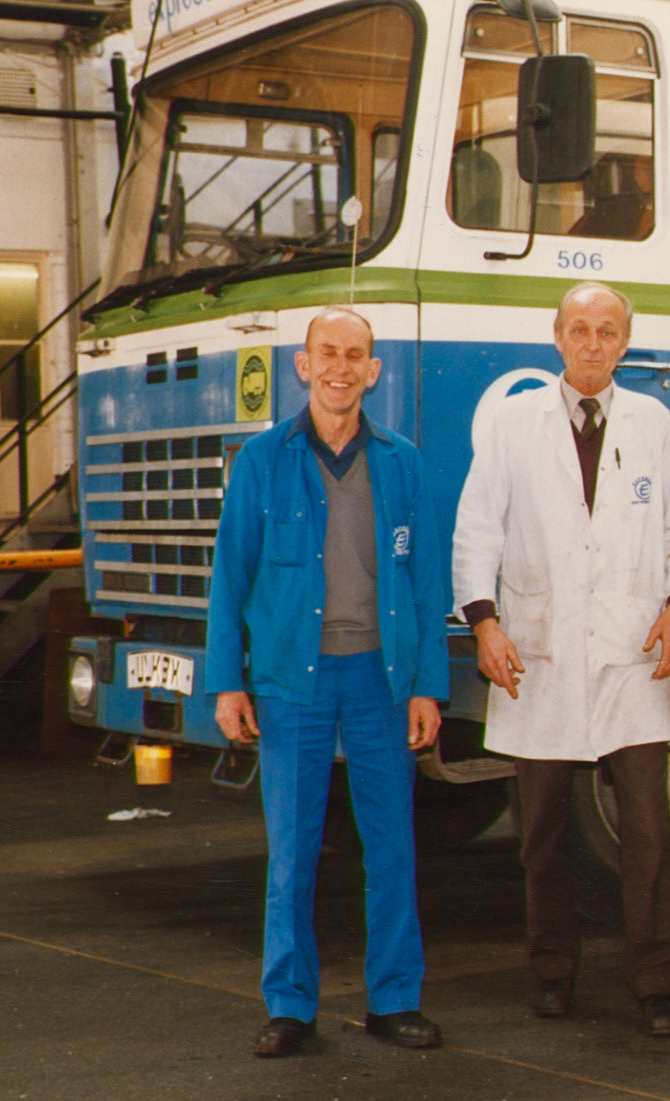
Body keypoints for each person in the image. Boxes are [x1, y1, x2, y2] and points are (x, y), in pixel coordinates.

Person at [452, 281, 670, 1038]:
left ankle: (656, 980)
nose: (592, 342)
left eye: (607, 331)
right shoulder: (512, 423)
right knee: (543, 836)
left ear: (624, 343)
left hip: (632, 659)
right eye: (579, 329)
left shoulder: (652, 421)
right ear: (557, 337)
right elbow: (476, 528)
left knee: (648, 834)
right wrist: (485, 623)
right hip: (539, 654)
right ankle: (553, 970)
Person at [206, 306, 449, 1058]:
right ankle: (289, 1004)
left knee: (391, 846)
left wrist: (426, 686)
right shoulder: (261, 460)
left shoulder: (403, 461)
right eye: (327, 354)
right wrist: (228, 681)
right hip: (291, 683)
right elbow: (229, 577)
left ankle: (394, 999)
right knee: (294, 851)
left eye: (356, 356)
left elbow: (427, 579)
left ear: (373, 372)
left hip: (380, 678)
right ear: (303, 365)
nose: (341, 367)